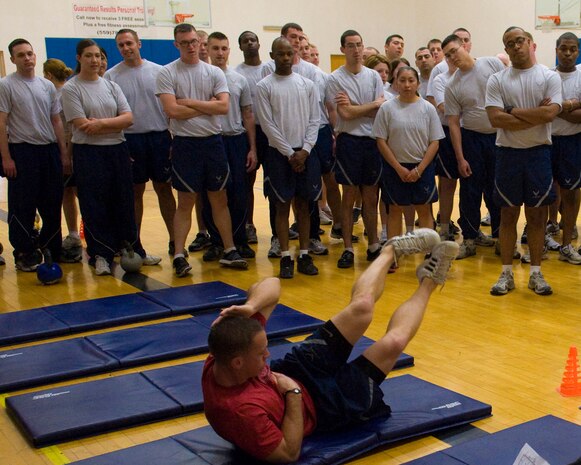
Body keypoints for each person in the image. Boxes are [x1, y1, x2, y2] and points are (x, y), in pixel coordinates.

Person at [202, 228, 459, 462]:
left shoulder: (225, 341)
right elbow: (288, 454)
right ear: (237, 363)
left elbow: (272, 284)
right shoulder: (240, 413)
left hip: (297, 370)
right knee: (394, 342)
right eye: (261, 354)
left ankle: (390, 250)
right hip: (322, 407)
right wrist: (292, 393)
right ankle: (430, 280)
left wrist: (251, 306)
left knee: (361, 307)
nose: (267, 355)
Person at [156, 23, 247, 277]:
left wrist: (190, 103)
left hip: (213, 143)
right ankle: (178, 254)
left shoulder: (213, 73)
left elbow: (223, 108)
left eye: (193, 41)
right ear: (176, 44)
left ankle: (229, 250)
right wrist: (207, 105)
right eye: (184, 43)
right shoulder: (167, 73)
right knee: (185, 201)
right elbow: (172, 111)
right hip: (185, 144)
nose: (190, 46)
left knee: (220, 199)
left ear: (200, 42)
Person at [61, 39, 154, 276]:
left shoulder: (111, 85)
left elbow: (128, 118)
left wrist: (101, 123)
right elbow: (82, 125)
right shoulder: (72, 88)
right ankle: (100, 255)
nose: (95, 61)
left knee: (124, 201)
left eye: (99, 56)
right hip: (89, 154)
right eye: (89, 56)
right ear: (79, 58)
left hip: (117, 150)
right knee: (95, 205)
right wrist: (113, 123)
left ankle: (133, 250)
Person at [485, 26, 562, 295]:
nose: (515, 46)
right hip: (507, 155)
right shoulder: (496, 79)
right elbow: (496, 119)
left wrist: (513, 112)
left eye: (520, 41)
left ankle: (536, 274)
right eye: (510, 44)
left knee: (537, 216)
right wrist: (535, 114)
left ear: (531, 43)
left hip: (538, 153)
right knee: (507, 215)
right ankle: (506, 274)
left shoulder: (548, 77)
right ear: (506, 49)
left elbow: (550, 114)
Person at [0, 39, 68, 271]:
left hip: (48, 150)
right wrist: (6, 158)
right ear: (12, 60)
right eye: (21, 55)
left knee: (51, 204)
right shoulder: (6, 85)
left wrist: (63, 152)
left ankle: (51, 248)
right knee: (23, 206)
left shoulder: (46, 86)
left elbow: (56, 120)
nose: (27, 58)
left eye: (30, 53)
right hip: (22, 151)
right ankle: (24, 252)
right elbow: (1, 123)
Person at [106, 28, 174, 259]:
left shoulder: (160, 72)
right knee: (134, 193)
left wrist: (173, 139)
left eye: (129, 43)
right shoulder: (111, 77)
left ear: (139, 44)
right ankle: (136, 247)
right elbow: (113, 114)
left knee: (164, 189)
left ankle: (177, 244)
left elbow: (170, 110)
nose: (126, 48)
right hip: (130, 140)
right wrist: (121, 145)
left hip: (160, 138)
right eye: (121, 45)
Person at [255, 37, 320, 278]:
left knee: (304, 205)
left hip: (305, 153)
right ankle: (285, 256)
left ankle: (304, 253)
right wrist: (290, 153)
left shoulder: (307, 85)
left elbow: (315, 120)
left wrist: (305, 149)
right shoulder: (264, 86)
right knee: (281, 206)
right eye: (280, 54)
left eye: (288, 53)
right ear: (272, 56)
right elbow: (268, 126)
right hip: (279, 155)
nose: (285, 58)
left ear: (294, 55)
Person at [443, 34, 505, 259]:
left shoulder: (492, 64)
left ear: (465, 46)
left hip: (499, 137)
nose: (452, 57)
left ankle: (501, 238)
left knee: (497, 190)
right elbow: (453, 123)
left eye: (454, 51)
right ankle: (469, 239)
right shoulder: (452, 85)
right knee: (470, 191)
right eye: (448, 55)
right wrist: (460, 158)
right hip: (471, 139)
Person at [327, 30, 384, 268]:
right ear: (343, 49)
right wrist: (370, 106)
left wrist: (358, 107)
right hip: (348, 142)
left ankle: (373, 245)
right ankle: (348, 247)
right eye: (351, 45)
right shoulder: (334, 79)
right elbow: (345, 114)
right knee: (348, 196)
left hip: (371, 142)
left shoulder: (373, 77)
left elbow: (380, 111)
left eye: (359, 45)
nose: (356, 49)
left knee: (370, 197)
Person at [204, 31, 257, 261]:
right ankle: (217, 242)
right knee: (213, 194)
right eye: (215, 48)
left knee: (239, 193)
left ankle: (240, 240)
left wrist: (252, 147)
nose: (220, 53)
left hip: (236, 140)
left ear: (229, 51)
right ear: (207, 49)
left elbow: (248, 115)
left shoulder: (239, 79)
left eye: (224, 48)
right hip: (211, 139)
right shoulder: (202, 78)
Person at [373, 67, 444, 237]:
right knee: (395, 210)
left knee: (424, 210)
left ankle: (429, 253)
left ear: (418, 84)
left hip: (422, 167)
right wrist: (398, 168)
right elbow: (381, 140)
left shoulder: (428, 108)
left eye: (411, 80)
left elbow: (435, 142)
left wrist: (420, 169)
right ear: (395, 83)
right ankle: (394, 253)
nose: (407, 85)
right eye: (402, 80)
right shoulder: (387, 108)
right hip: (395, 168)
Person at [42, 58, 82, 263]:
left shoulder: (65, 93)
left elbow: (71, 127)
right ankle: (74, 234)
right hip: (63, 150)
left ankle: (83, 233)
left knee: (77, 193)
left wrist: (68, 152)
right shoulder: (55, 92)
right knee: (69, 192)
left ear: (48, 75)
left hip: (71, 149)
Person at [550, 32, 581, 264]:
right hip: (546, 141)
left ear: (578, 52)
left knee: (571, 194)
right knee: (542, 195)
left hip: (573, 143)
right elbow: (542, 113)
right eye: (563, 49)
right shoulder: (546, 77)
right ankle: (539, 241)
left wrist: (557, 107)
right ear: (556, 51)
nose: (568, 53)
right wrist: (570, 106)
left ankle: (567, 244)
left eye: (573, 49)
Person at [235, 30, 268, 245]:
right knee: (246, 183)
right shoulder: (237, 73)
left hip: (270, 131)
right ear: (240, 47)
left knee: (277, 182)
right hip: (247, 132)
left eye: (252, 40)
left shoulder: (270, 70)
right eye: (245, 41)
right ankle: (248, 225)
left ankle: (282, 229)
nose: (249, 43)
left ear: (258, 43)